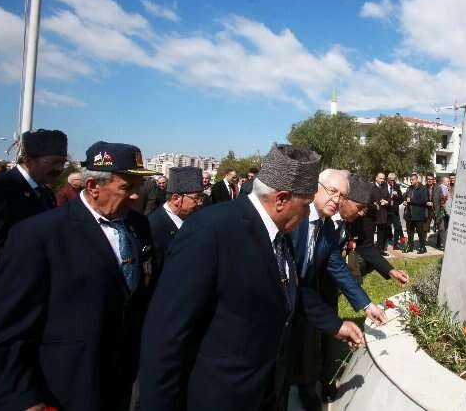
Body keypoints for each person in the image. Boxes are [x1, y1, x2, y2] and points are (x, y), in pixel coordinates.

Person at [139, 145, 358, 411]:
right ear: (281, 199)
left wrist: (336, 325)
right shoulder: (211, 231)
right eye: (305, 205)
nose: (307, 214)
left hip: (267, 392)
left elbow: (292, 288)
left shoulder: (280, 234)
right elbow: (166, 337)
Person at [0, 141, 159, 411]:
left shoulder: (137, 226)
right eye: (128, 187)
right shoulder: (40, 235)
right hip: (61, 388)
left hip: (121, 381)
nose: (137, 196)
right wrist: (21, 398)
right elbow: (6, 327)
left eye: (138, 186)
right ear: (93, 187)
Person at [289, 169, 384, 410]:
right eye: (332, 192)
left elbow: (337, 267)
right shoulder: (295, 218)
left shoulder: (326, 226)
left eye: (341, 195)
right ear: (316, 186)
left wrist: (366, 304)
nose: (336, 200)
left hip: (307, 298)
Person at [0, 129, 67, 278]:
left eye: (63, 162)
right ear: (28, 161)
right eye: (54, 162)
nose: (60, 169)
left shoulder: (45, 192)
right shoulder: (0, 190)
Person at [148, 167, 204, 263]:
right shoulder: (154, 226)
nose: (200, 203)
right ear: (176, 198)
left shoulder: (192, 219)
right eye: (196, 198)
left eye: (201, 197)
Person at [403, 172, 428, 254]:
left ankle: (422, 247)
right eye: (410, 180)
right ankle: (410, 247)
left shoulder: (423, 188)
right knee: (410, 232)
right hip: (409, 214)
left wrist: (411, 201)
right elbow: (406, 196)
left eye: (412, 180)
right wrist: (405, 201)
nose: (411, 181)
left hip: (418, 214)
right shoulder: (409, 188)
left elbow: (423, 200)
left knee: (420, 232)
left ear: (417, 180)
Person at [371, 172, 391, 256]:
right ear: (376, 178)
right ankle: (370, 251)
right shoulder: (371, 187)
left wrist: (387, 202)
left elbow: (389, 198)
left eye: (383, 178)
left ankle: (380, 250)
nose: (382, 180)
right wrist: (374, 204)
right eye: (380, 178)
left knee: (381, 234)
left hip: (383, 214)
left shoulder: (385, 186)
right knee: (370, 234)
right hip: (373, 215)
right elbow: (368, 199)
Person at [386, 172, 405, 247]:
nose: (392, 182)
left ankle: (396, 244)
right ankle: (388, 239)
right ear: (388, 179)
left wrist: (397, 195)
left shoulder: (396, 186)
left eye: (394, 180)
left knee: (397, 226)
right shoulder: (384, 186)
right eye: (391, 180)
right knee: (387, 226)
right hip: (386, 209)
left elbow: (401, 199)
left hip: (394, 210)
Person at [425, 174, 444, 249]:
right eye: (428, 179)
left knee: (441, 228)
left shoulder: (438, 188)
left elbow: (442, 198)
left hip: (436, 211)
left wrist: (441, 207)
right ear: (426, 180)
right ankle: (423, 245)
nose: (429, 180)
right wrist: (426, 202)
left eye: (431, 179)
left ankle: (442, 244)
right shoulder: (423, 188)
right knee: (424, 229)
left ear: (433, 179)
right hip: (426, 211)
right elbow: (420, 198)